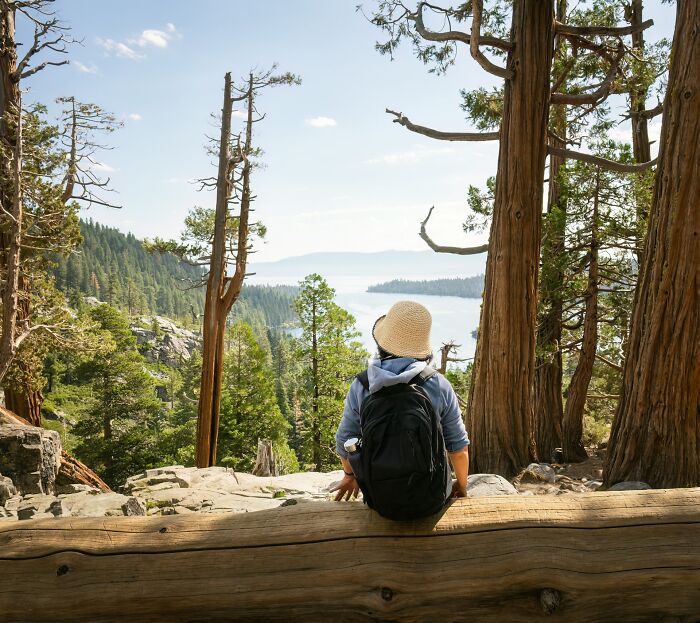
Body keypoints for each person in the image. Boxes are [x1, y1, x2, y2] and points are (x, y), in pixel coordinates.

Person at [331, 300, 470, 507]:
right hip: (432, 499)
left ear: (383, 342)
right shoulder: (438, 384)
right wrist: (462, 486)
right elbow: (458, 450)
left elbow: (344, 441)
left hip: (380, 500)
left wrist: (350, 475)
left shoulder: (362, 385)